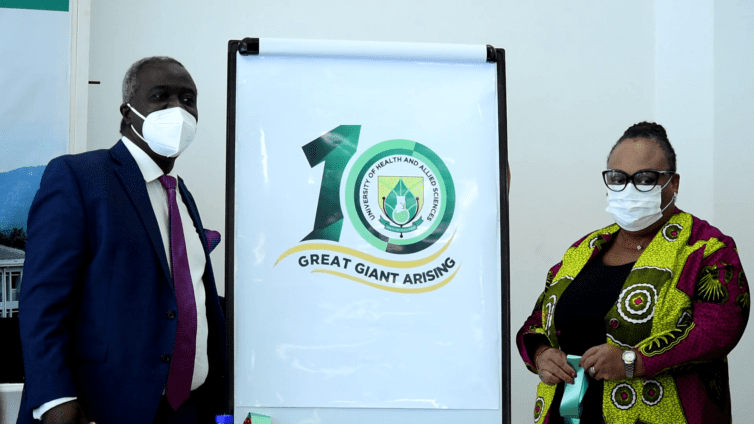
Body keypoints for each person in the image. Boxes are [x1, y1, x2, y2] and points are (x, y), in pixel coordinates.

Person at [17, 57, 227, 424]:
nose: (177, 110)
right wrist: (55, 400)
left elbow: (187, 295)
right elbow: (43, 298)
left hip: (187, 409)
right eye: (160, 96)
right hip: (102, 408)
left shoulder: (180, 195)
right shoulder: (79, 177)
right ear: (128, 112)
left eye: (187, 99)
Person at [516, 122, 749, 423]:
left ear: (673, 183)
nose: (629, 188)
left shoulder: (706, 249)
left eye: (645, 178)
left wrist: (633, 361)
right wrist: (541, 355)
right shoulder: (583, 250)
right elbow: (535, 322)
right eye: (618, 178)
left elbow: (718, 330)